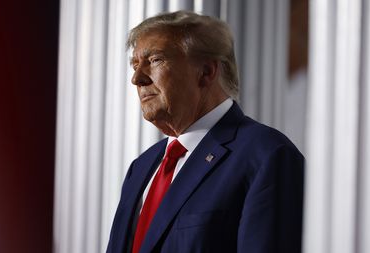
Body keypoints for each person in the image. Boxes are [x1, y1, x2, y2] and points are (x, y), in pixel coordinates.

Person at [107, 10, 304, 253]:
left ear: (207, 71)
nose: (137, 78)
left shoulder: (268, 156)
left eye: (155, 60)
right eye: (135, 65)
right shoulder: (141, 167)